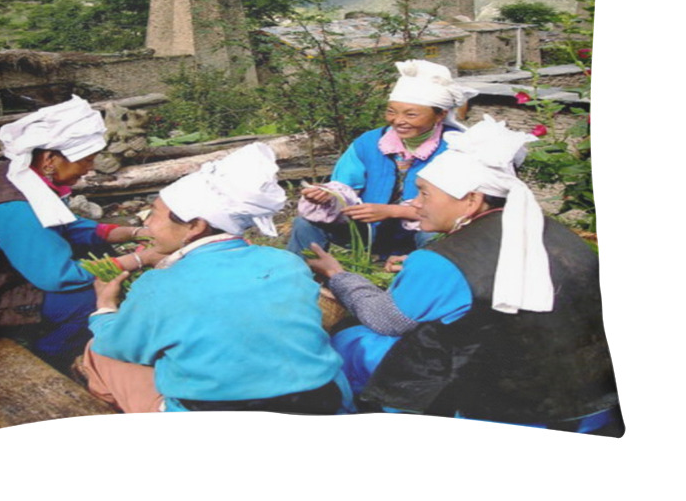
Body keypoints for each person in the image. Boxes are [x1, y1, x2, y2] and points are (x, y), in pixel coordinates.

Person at [306, 116, 623, 435]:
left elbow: (385, 319)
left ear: (471, 200)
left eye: (424, 194)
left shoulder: (441, 262)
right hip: (591, 393)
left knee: (353, 341)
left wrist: (338, 275)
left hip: (507, 407)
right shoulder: (552, 233)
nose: (415, 204)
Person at [81, 142, 353, 414]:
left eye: (153, 213)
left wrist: (104, 307)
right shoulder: (286, 262)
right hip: (322, 403)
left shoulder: (159, 283)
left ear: (195, 226)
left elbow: (119, 345)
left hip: (217, 414)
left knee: (97, 351)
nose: (147, 223)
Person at [0, 95, 161, 369]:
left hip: (1, 270)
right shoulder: (15, 208)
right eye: (85, 160)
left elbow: (63, 223)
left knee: (97, 250)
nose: (89, 170)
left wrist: (132, 232)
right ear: (50, 159)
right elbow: (59, 277)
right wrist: (139, 260)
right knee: (86, 298)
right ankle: (51, 360)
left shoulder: (17, 174)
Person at [287, 59, 477, 257]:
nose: (398, 121)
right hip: (369, 229)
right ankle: (296, 278)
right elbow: (344, 185)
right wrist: (327, 196)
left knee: (433, 236)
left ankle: (424, 275)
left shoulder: (455, 148)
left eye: (411, 115)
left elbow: (454, 210)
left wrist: (392, 211)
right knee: (305, 223)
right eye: (391, 112)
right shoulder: (369, 143)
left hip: (420, 231)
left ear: (440, 115)